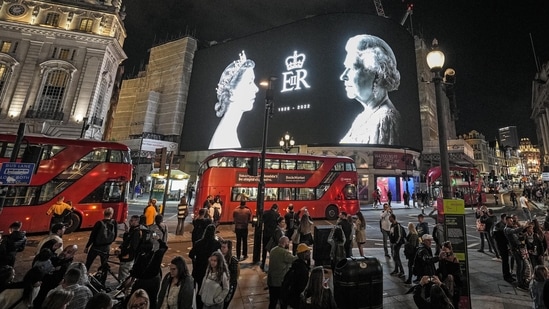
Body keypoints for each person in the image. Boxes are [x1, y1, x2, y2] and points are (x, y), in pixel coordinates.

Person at [339, 34, 401, 145]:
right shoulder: (365, 116)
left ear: (377, 72)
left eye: (352, 68)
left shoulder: (384, 119)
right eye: (345, 68)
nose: (343, 76)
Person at [209, 50, 258, 149]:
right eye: (249, 82)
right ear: (231, 93)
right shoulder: (224, 138)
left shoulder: (228, 133)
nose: (256, 89)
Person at [125, 237, 167, 309]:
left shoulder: (140, 257)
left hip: (142, 282)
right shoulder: (157, 255)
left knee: (139, 298)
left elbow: (135, 271)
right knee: (152, 299)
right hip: (154, 282)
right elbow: (164, 247)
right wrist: (158, 239)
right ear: (152, 247)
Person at [189, 224, 221, 309]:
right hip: (210, 271)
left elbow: (191, 255)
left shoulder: (198, 243)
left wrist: (195, 260)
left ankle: (199, 306)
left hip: (199, 270)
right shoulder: (216, 244)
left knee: (199, 290)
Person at [267, 236, 297, 309]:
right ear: (284, 243)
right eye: (288, 243)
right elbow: (294, 260)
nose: (289, 244)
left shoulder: (273, 250)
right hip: (280, 281)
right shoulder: (284, 253)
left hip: (271, 281)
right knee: (283, 302)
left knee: (272, 301)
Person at [84, 207, 117, 272]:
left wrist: (87, 246)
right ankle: (102, 280)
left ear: (104, 214)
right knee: (104, 265)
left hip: (96, 247)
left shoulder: (99, 223)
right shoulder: (114, 223)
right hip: (106, 247)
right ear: (111, 214)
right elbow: (115, 235)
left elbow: (92, 236)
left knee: (88, 263)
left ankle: (83, 276)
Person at [281, 243, 311, 309]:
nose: (310, 253)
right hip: (297, 300)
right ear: (304, 254)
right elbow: (301, 287)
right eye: (308, 252)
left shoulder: (295, 265)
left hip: (291, 299)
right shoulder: (303, 269)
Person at [504, 215, 529, 291]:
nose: (511, 222)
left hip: (520, 248)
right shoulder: (507, 229)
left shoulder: (512, 228)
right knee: (520, 266)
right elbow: (515, 231)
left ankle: (522, 281)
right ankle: (519, 283)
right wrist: (524, 226)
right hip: (515, 250)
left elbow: (519, 237)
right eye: (510, 221)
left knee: (523, 266)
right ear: (506, 221)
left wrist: (524, 236)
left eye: (512, 220)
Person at [116, 215, 142, 283]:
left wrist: (126, 254)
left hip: (128, 258)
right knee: (123, 275)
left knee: (125, 277)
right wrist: (126, 232)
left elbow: (133, 246)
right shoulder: (132, 230)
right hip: (125, 256)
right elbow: (126, 241)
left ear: (136, 222)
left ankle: (126, 291)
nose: (130, 222)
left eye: (131, 220)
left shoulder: (136, 232)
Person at [493, 213, 514, 283]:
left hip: (505, 245)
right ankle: (506, 276)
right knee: (505, 261)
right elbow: (495, 235)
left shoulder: (504, 226)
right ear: (502, 219)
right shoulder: (499, 226)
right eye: (506, 219)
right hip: (502, 246)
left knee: (507, 261)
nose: (508, 221)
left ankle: (509, 274)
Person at [220, 240, 239, 309]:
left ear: (229, 249)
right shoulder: (220, 258)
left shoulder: (232, 261)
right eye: (221, 247)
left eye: (224, 247)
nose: (222, 248)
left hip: (228, 286)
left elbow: (233, 278)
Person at [262, 204, 280, 269]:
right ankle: (272, 264)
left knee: (264, 249)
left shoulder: (265, 213)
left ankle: (263, 263)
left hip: (265, 233)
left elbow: (262, 220)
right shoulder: (277, 215)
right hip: (272, 235)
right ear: (276, 208)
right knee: (272, 250)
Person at [389, 214, 406, 278]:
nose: (389, 219)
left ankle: (402, 271)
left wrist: (396, 243)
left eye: (390, 218)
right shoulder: (392, 225)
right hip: (393, 243)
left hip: (397, 243)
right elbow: (391, 234)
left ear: (393, 218)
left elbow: (399, 235)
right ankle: (396, 270)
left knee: (396, 257)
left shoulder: (397, 225)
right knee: (395, 256)